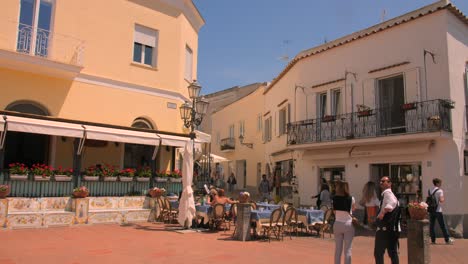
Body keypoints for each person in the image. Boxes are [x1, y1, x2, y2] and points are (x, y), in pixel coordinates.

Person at [374, 176, 400, 264]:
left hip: (384, 229)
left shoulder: (388, 193)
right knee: (392, 252)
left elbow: (391, 203)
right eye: (380, 181)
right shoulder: (388, 194)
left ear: (389, 183)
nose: (381, 182)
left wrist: (382, 213)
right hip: (391, 229)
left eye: (383, 181)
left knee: (378, 253)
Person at [332, 180, 355, 264]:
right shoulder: (351, 198)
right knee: (348, 249)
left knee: (338, 249)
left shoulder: (334, 198)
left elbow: (334, 211)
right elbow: (353, 209)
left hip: (337, 223)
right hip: (347, 224)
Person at [428, 178, 454, 245]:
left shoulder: (430, 190)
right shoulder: (440, 191)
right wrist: (442, 198)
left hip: (431, 210)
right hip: (438, 210)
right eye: (440, 183)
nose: (441, 184)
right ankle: (447, 239)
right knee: (442, 225)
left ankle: (433, 240)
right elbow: (441, 200)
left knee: (432, 226)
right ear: (437, 183)